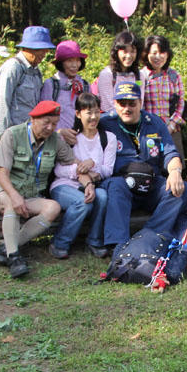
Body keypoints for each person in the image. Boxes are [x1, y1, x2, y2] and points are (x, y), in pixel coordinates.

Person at [0, 100, 76, 278]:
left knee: (53, 208)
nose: (50, 128)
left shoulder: (55, 140)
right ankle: (14, 257)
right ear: (33, 119)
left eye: (55, 124)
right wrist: (14, 196)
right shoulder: (12, 134)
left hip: (30, 195)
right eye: (46, 123)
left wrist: (87, 174)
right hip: (2, 190)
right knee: (12, 203)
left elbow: (73, 163)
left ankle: (6, 247)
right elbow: (2, 174)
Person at [97, 81, 187, 250]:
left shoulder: (155, 122)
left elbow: (170, 153)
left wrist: (175, 172)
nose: (126, 108)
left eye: (132, 103)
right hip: (123, 185)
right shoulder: (105, 122)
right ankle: (118, 245)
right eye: (121, 103)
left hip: (151, 183)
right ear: (114, 103)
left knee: (179, 191)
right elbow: (81, 131)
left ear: (141, 102)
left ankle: (149, 236)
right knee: (115, 186)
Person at [49, 92, 115, 259]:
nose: (93, 117)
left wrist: (92, 164)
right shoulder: (71, 138)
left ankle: (94, 240)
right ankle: (60, 243)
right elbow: (58, 170)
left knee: (102, 196)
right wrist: (80, 171)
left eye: (97, 112)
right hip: (64, 186)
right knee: (83, 203)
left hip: (92, 185)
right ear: (78, 114)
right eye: (88, 113)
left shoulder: (108, 138)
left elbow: (108, 169)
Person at [0, 26, 55, 140]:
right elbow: (2, 102)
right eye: (42, 49)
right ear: (29, 48)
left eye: (46, 50)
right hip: (12, 135)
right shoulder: (13, 67)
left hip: (30, 135)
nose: (45, 53)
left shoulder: (36, 72)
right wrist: (5, 137)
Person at [140, 34, 186, 168]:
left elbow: (180, 103)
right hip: (149, 130)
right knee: (151, 167)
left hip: (172, 129)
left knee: (175, 167)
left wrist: (171, 125)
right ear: (147, 54)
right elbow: (139, 105)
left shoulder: (174, 75)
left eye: (162, 52)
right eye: (154, 53)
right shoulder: (141, 76)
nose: (158, 57)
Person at [43, 39, 89, 146]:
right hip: (57, 142)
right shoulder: (51, 84)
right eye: (69, 61)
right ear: (61, 63)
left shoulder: (85, 85)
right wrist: (59, 132)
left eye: (77, 60)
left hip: (81, 143)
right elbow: (44, 117)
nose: (74, 65)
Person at [93, 30, 143, 113]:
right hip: (111, 121)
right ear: (117, 52)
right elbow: (107, 106)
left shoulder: (139, 76)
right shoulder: (107, 75)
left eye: (132, 51)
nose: (129, 56)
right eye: (125, 51)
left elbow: (140, 102)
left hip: (133, 120)